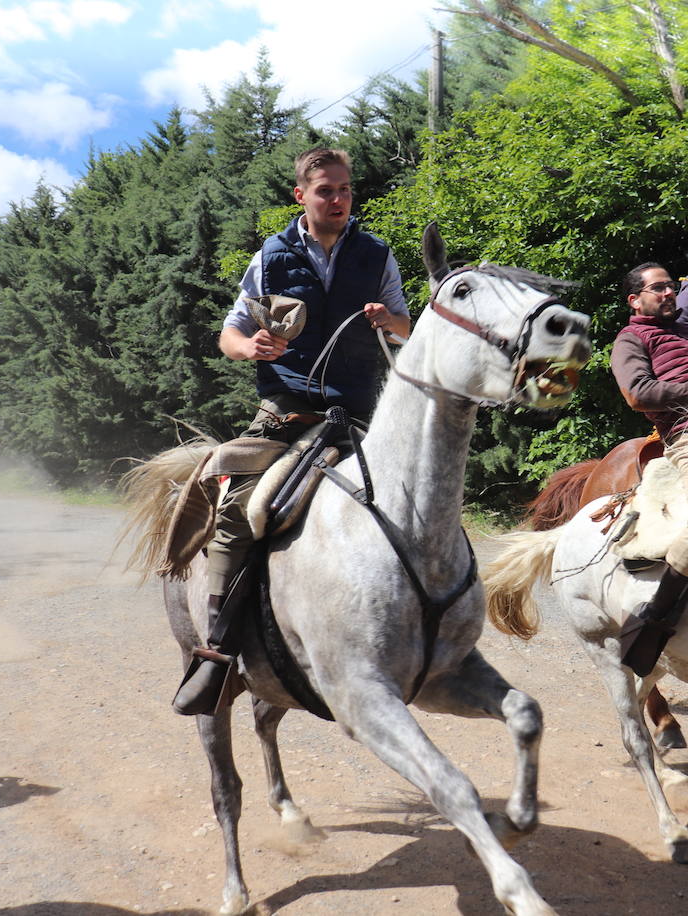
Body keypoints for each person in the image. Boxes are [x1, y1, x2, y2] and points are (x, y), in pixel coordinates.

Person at [173, 147, 412, 715]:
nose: (339, 199)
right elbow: (229, 335)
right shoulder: (272, 256)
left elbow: (409, 329)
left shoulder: (377, 254)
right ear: (300, 195)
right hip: (285, 414)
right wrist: (248, 346)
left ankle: (424, 630)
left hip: (361, 416)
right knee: (237, 511)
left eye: (346, 189)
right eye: (326, 190)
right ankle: (217, 653)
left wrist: (390, 321)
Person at [609, 262, 688, 675]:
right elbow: (637, 394)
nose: (668, 293)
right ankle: (655, 618)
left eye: (670, 287)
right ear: (635, 299)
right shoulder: (630, 338)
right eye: (657, 288)